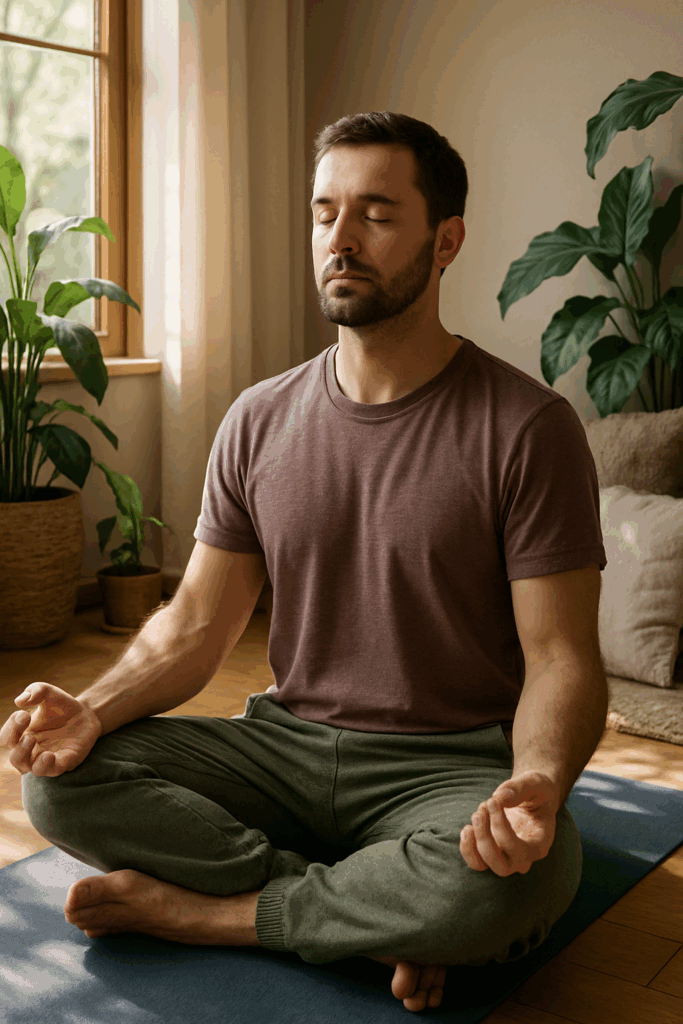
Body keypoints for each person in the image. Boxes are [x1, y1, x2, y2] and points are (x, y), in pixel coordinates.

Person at [1, 111, 609, 1014]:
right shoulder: (257, 418)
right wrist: (87, 712)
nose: (341, 239)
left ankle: (210, 913)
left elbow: (560, 655)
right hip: (283, 748)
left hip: (447, 767)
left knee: (516, 879)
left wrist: (537, 781)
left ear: (446, 240)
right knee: (59, 789)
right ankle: (359, 915)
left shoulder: (526, 427)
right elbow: (199, 623)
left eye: (376, 213)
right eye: (326, 213)